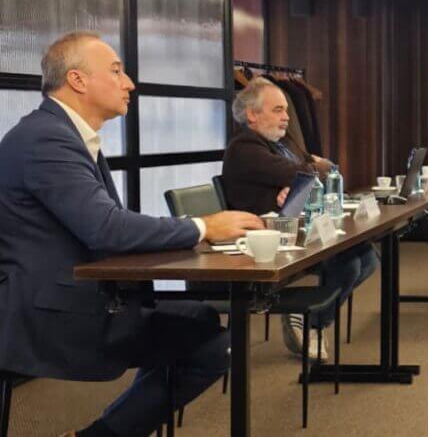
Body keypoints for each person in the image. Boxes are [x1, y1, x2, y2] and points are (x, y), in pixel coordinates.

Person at [0, 31, 262, 437]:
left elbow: (107, 224)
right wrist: (204, 226)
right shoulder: (45, 139)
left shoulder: (66, 134)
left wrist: (197, 231)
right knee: (213, 346)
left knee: (202, 319)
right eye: (117, 71)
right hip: (49, 313)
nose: (130, 83)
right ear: (77, 80)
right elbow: (106, 228)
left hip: (82, 295)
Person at [221, 76, 378, 362]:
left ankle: (311, 320)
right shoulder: (244, 147)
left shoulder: (282, 143)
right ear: (252, 115)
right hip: (263, 243)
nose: (286, 117)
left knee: (367, 258)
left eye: (286, 110)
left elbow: (321, 171)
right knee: (349, 264)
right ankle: (311, 322)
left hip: (296, 230)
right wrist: (309, 172)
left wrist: (306, 176)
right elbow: (309, 172)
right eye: (278, 110)